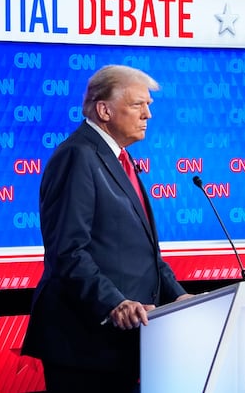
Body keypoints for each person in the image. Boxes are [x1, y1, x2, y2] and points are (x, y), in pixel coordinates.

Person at [21, 64, 192, 393]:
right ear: (104, 110)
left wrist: (179, 296)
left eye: (148, 105)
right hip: (84, 344)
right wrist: (113, 303)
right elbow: (68, 251)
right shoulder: (77, 156)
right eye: (137, 104)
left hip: (122, 343)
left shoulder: (118, 157)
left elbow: (145, 252)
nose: (147, 115)